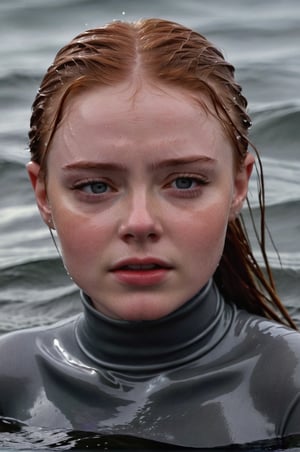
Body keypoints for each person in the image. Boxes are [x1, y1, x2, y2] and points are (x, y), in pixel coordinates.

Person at [0, 18, 300, 449]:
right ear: (44, 196)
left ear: (237, 187)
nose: (140, 223)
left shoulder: (286, 390)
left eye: (184, 182)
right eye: (95, 186)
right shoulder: (11, 381)